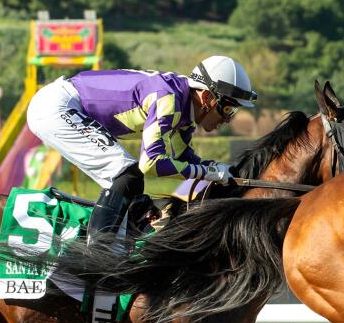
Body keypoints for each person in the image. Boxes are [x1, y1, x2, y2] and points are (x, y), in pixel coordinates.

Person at [25, 55, 257, 239]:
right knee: (128, 175)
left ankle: (111, 248)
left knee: (135, 192)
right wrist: (207, 172)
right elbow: (152, 163)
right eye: (228, 109)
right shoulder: (169, 99)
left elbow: (183, 159)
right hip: (57, 106)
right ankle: (95, 256)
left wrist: (218, 168)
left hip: (62, 103)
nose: (228, 119)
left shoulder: (183, 106)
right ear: (206, 97)